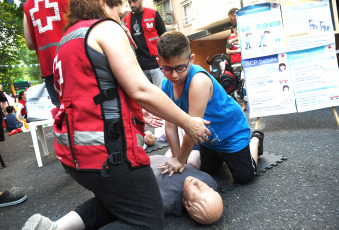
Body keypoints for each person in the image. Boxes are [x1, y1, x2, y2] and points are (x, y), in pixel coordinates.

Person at [22, 0, 210, 229]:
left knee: (117, 202)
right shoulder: (105, 29)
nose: (122, 18)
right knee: (148, 222)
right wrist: (188, 122)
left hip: (75, 156)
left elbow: (91, 93)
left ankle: (55, 228)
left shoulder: (67, 39)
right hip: (110, 156)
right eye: (120, 14)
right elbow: (141, 89)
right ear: (103, 3)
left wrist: (136, 112)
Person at [156, 31, 264, 185]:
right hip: (208, 139)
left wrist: (181, 160)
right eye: (167, 69)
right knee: (208, 169)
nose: (174, 75)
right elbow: (171, 125)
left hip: (231, 134)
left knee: (245, 177)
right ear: (159, 62)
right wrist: (176, 159)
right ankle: (220, 156)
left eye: (180, 68)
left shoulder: (198, 81)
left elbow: (193, 128)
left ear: (191, 59)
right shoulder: (166, 85)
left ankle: (255, 139)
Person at [22, 156, 222, 229]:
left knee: (101, 208)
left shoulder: (167, 202)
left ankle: (57, 227)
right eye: (204, 187)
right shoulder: (208, 180)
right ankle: (55, 227)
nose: (198, 184)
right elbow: (194, 157)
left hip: (128, 180)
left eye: (196, 191)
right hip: (136, 164)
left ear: (186, 204)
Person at [23, 0, 69, 107]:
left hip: (49, 65)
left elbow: (30, 43)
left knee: (61, 110)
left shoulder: (27, 5)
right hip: (73, 59)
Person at [123, 0, 166, 87]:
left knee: (162, 93)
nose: (132, 5)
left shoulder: (153, 14)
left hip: (156, 64)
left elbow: (164, 37)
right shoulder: (126, 19)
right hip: (139, 68)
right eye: (129, 2)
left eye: (134, 1)